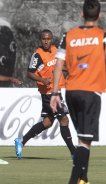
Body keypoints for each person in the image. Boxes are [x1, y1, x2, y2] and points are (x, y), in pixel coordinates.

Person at [50, 1, 105, 183]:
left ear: (82, 14)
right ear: (100, 15)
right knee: (84, 142)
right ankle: (74, 181)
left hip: (71, 92)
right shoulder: (102, 37)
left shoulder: (69, 36)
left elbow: (58, 65)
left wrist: (55, 93)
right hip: (91, 92)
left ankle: (84, 179)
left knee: (83, 138)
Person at [14, 30, 76, 160]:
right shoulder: (38, 55)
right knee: (64, 119)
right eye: (43, 39)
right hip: (48, 93)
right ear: (40, 40)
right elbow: (29, 73)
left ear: (52, 39)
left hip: (56, 91)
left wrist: (71, 70)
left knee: (47, 122)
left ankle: (21, 141)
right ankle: (74, 152)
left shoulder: (56, 50)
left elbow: (59, 67)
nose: (46, 41)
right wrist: (42, 80)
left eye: (48, 39)